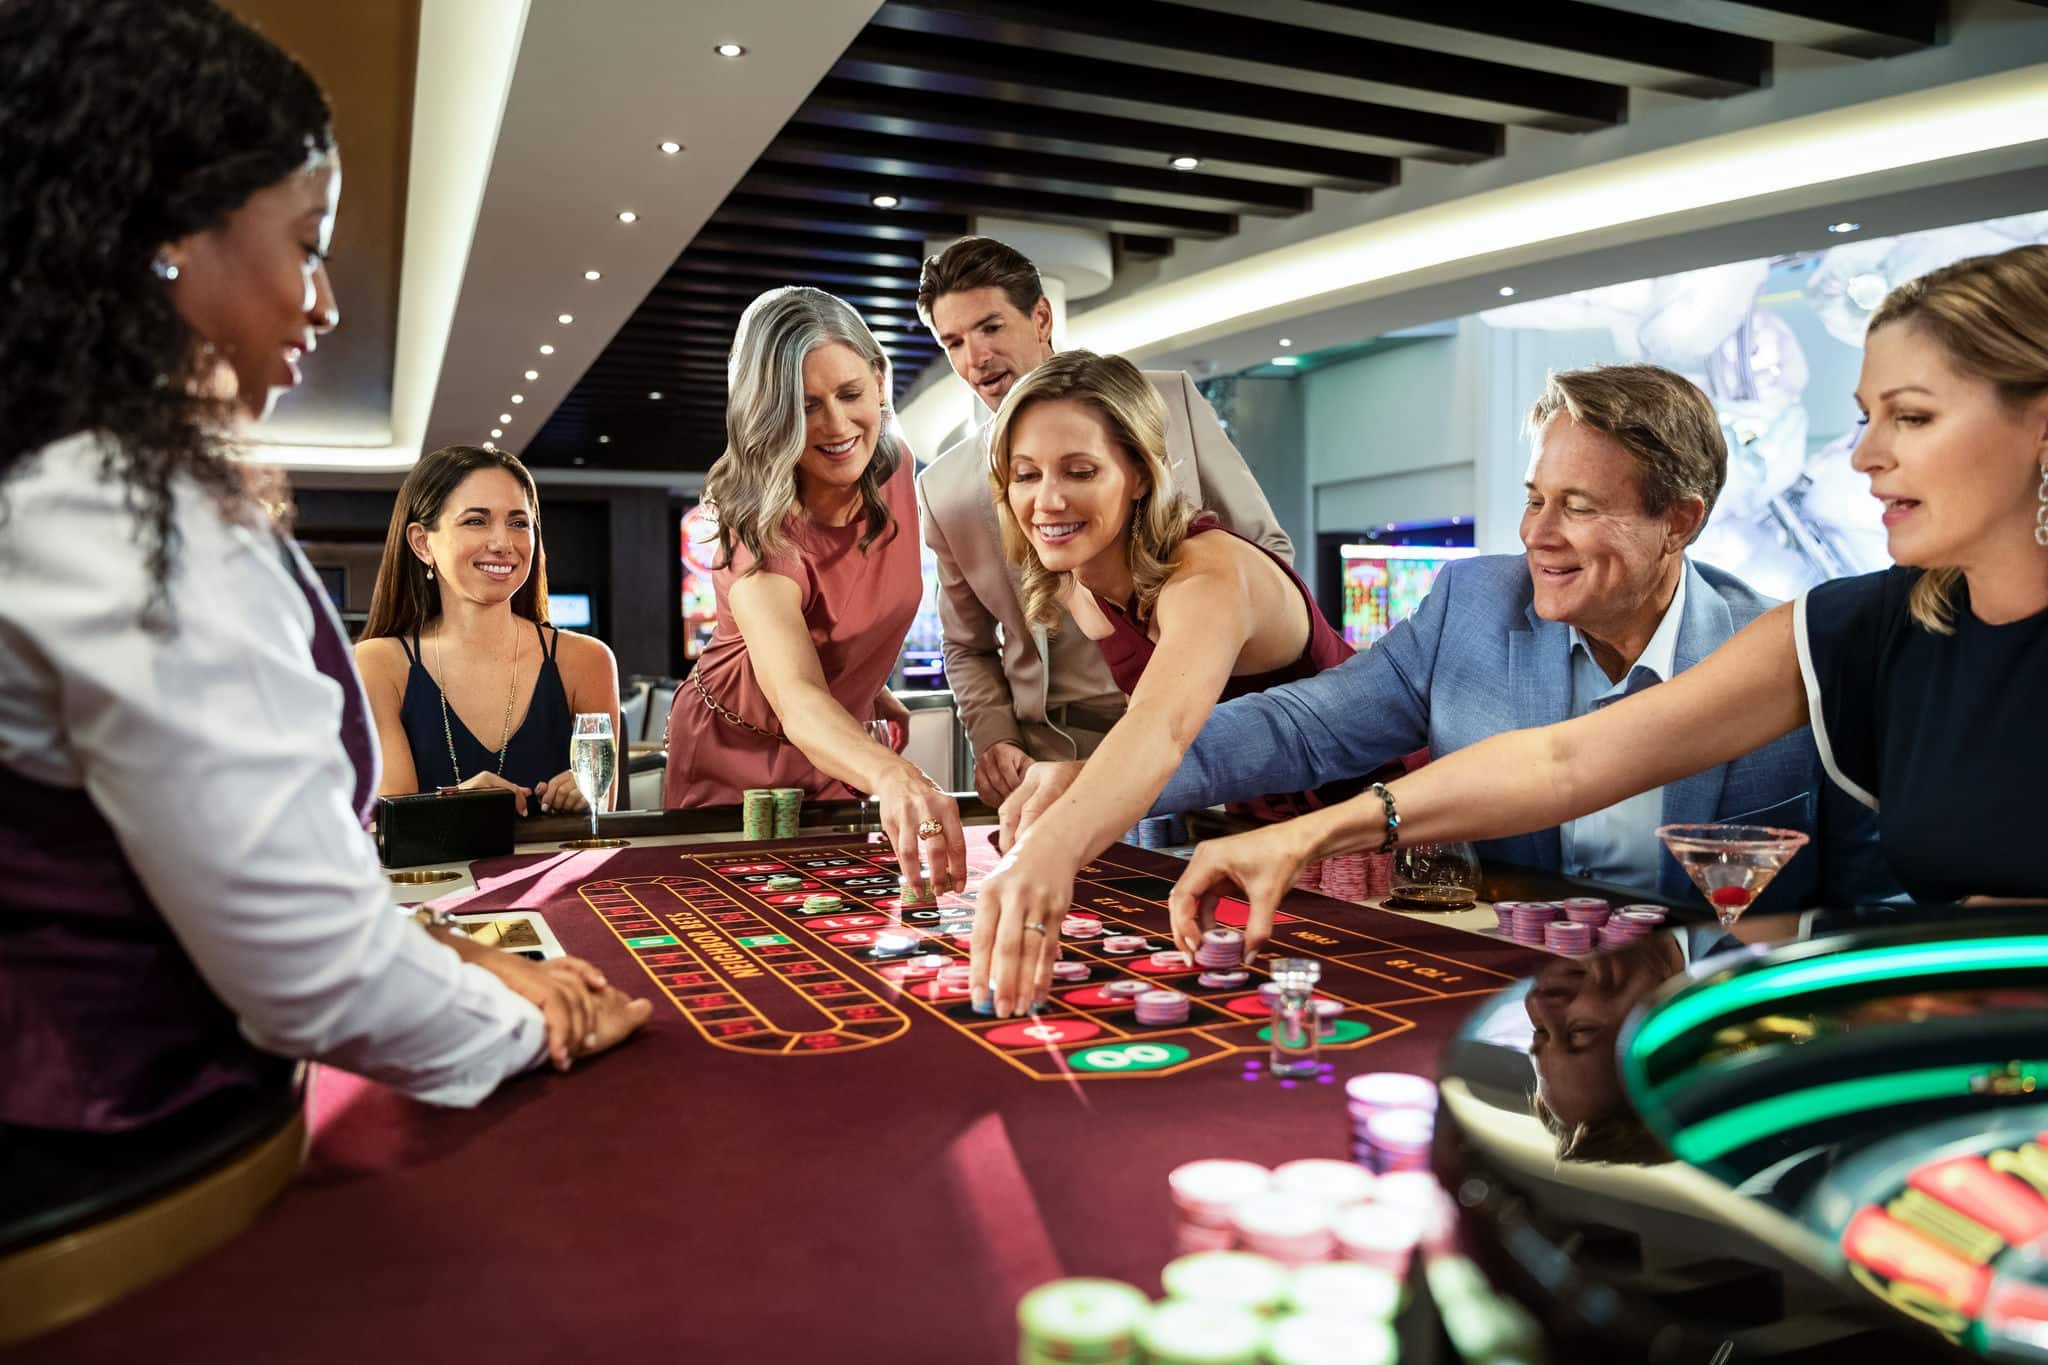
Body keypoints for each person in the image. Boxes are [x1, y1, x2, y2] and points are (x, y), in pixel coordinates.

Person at [0, 0, 647, 1135]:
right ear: (172, 231)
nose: (324, 300)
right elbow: (306, 965)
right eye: (306, 244)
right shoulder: (112, 507)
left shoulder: (69, 474)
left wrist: (437, 948)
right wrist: (536, 1016)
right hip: (118, 1128)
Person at [1163, 244, 2048, 982]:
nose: (1860, 455)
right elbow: (1563, 760)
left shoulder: (1789, 626)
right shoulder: (1858, 626)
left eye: (1913, 416)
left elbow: (1875, 906)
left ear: (1682, 521)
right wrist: (1289, 829)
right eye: (1864, 417)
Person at [981, 362, 1896, 1013]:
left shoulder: (1784, 656)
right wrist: (1102, 783)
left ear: (1679, 521)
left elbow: (1873, 906)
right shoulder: (1472, 602)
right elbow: (1301, 727)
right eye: (1536, 496)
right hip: (1492, 999)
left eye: (1577, 506)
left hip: (1705, 1017)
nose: (1537, 532)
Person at [963, 352, 1351, 1001]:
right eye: (1025, 474)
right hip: (1269, 839)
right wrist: (1079, 776)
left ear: (1140, 474)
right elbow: (1189, 735)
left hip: (1383, 825)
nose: (1047, 499)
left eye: (1080, 471)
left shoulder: (1207, 575)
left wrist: (1049, 850)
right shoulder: (1078, 584)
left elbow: (1164, 726)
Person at [915, 235, 1293, 806]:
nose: (975, 358)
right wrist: (992, 736)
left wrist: (1208, 665)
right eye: (954, 342)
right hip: (1054, 752)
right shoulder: (941, 487)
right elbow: (966, 644)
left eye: (990, 328)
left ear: (1041, 316)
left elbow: (1267, 551)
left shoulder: (1167, 404)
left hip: (1204, 729)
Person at [661, 286, 966, 894]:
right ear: (771, 416)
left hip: (840, 744)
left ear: (879, 379)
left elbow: (852, 605)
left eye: (850, 394)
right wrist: (897, 775)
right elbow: (796, 693)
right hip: (737, 755)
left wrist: (861, 680)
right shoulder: (746, 514)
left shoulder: (900, 468)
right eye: (805, 408)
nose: (836, 425)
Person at [355, 444, 621, 817]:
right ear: (421, 543)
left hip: (557, 875)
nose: (502, 544)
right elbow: (385, 823)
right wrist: (456, 803)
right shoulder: (378, 664)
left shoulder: (587, 660)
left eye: (518, 523)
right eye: (476, 521)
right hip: (441, 878)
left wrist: (586, 797)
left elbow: (604, 810)